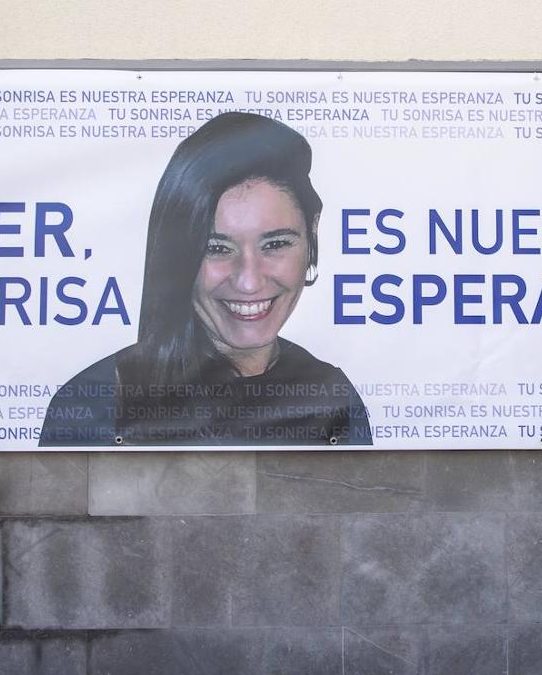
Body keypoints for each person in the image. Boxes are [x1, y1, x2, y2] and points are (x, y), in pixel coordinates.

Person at [40, 111, 372, 446]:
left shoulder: (333, 397)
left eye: (275, 244)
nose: (249, 281)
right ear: (178, 255)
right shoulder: (94, 402)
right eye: (216, 248)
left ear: (311, 234)